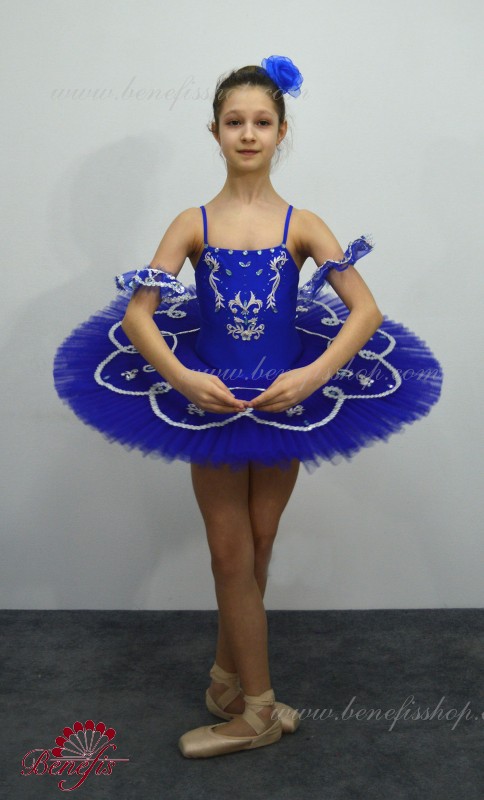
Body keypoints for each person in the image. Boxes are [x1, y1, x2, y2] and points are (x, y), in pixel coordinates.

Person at [53, 55, 443, 757]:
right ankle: (259, 711)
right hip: (210, 405)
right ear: (215, 131)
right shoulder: (193, 222)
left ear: (281, 131)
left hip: (285, 403)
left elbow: (366, 310)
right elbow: (139, 315)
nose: (248, 133)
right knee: (229, 552)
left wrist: (314, 376)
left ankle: (228, 679)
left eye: (262, 121)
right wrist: (181, 378)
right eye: (234, 121)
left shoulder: (302, 223)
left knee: (260, 542)